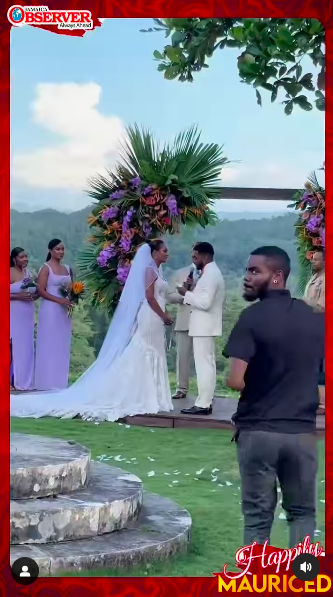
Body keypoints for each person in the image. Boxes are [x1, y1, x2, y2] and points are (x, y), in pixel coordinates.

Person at [223, 246, 325, 548]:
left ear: (277, 276)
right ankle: (305, 580)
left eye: (255, 271)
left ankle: (255, 582)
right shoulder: (314, 318)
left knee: (257, 517)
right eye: (247, 270)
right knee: (303, 513)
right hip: (302, 434)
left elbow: (235, 380)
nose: (247, 277)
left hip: (259, 431)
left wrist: (265, 381)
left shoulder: (251, 318)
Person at [10, 241, 174, 421]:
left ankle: (152, 394)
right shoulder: (149, 271)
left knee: (151, 352)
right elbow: (150, 298)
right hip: (151, 317)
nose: (167, 253)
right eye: (164, 250)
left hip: (155, 319)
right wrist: (164, 315)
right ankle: (136, 393)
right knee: (142, 351)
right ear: (155, 253)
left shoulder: (159, 271)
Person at [177, 242, 224, 415]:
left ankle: (203, 404)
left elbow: (205, 303)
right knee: (206, 365)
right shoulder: (206, 273)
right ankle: (205, 401)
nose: (193, 260)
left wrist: (185, 293)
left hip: (204, 326)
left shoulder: (211, 274)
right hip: (203, 326)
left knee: (204, 365)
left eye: (195, 257)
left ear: (205, 256)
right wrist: (192, 288)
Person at [34, 239, 73, 390]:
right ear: (50, 250)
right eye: (58, 249)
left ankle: (60, 381)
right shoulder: (45, 268)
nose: (61, 252)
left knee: (62, 344)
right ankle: (46, 382)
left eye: (63, 249)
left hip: (65, 312)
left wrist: (72, 298)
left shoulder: (68, 269)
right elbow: (40, 290)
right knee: (49, 343)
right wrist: (58, 300)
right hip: (50, 309)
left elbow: (72, 288)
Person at [166, 261, 200, 399]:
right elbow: (169, 296)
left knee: (204, 358)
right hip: (184, 320)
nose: (195, 256)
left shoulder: (210, 274)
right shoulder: (181, 272)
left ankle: (206, 390)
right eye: (193, 253)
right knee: (182, 357)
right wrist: (186, 295)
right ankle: (181, 388)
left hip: (204, 319)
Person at [10, 247, 38, 391]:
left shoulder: (29, 274)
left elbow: (37, 292)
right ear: (14, 259)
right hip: (13, 314)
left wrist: (34, 296)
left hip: (27, 314)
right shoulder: (9, 272)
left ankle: (26, 381)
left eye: (26, 256)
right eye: (21, 257)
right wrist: (18, 297)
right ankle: (13, 380)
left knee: (26, 346)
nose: (25, 259)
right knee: (13, 345)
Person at [304, 248, 325, 412]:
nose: (313, 261)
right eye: (312, 259)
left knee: (321, 366)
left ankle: (323, 403)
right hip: (311, 326)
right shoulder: (314, 277)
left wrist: (303, 303)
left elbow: (323, 307)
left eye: (316, 259)